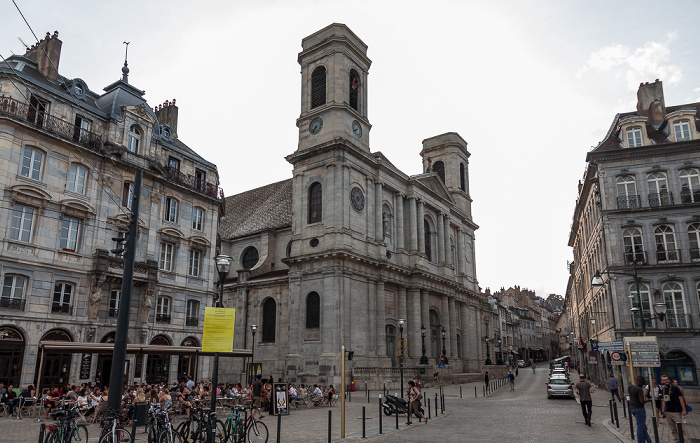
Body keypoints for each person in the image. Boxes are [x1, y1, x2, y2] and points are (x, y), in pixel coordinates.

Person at [661, 375, 689, 443]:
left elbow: (680, 398)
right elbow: (664, 400)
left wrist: (684, 409)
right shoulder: (663, 389)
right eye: (664, 380)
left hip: (676, 411)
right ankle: (677, 440)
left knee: (681, 428)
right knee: (673, 428)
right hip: (668, 411)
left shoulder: (675, 388)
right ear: (662, 381)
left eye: (667, 379)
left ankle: (686, 441)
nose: (666, 381)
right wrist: (663, 411)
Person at [629, 376, 652, 443]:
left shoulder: (630, 387)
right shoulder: (639, 389)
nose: (643, 385)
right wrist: (648, 400)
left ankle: (649, 441)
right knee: (640, 427)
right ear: (640, 382)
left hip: (632, 408)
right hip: (639, 408)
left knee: (643, 426)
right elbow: (641, 401)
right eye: (643, 383)